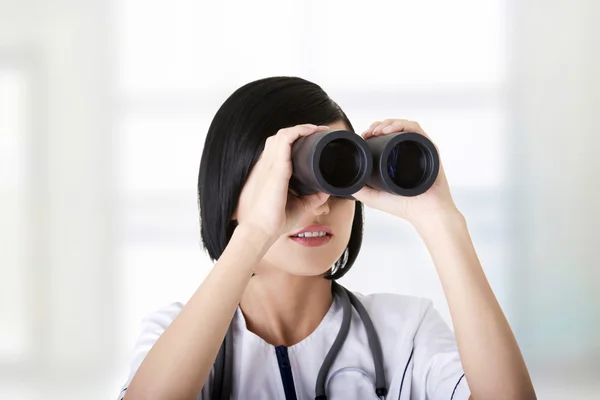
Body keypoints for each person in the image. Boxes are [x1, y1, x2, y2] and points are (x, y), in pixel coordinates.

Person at [118, 77, 536, 400]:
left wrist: (440, 220)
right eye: (289, 181)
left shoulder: (404, 333)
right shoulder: (177, 336)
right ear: (229, 191)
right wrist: (254, 233)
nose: (318, 206)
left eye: (338, 176)